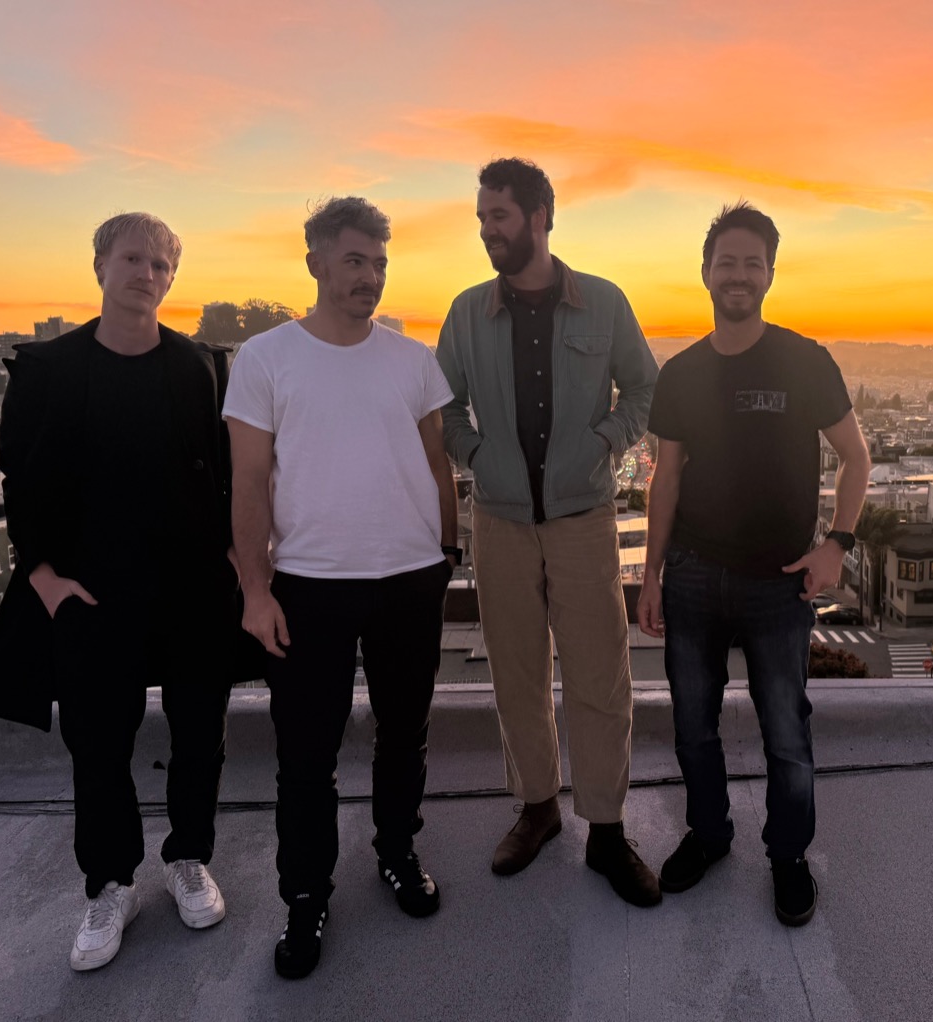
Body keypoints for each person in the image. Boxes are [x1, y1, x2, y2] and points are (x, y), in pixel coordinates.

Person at [0, 212, 244, 970]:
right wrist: (48, 582)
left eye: (160, 264)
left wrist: (235, 569)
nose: (146, 274)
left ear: (171, 279)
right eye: (132, 259)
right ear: (100, 267)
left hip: (189, 590)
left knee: (199, 734)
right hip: (90, 593)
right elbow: (22, 479)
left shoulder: (196, 368)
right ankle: (109, 882)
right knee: (97, 745)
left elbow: (222, 481)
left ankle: (189, 857)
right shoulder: (51, 370)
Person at [225, 197, 458, 979]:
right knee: (306, 755)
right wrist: (255, 591)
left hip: (408, 579)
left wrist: (446, 550)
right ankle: (305, 895)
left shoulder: (411, 359)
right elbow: (249, 482)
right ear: (317, 262)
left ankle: (397, 852)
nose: (370, 278)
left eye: (381, 265)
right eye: (355, 261)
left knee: (405, 734)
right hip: (308, 587)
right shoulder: (263, 359)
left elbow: (435, 463)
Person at [435, 158, 662, 907]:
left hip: (583, 519)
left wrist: (604, 440)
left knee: (601, 677)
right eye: (481, 218)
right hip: (498, 522)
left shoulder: (602, 302)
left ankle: (604, 828)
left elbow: (647, 389)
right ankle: (537, 809)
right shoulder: (467, 312)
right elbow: (445, 408)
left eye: (497, 216)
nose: (485, 230)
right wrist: (476, 456)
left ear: (540, 217)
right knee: (517, 675)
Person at [637, 202, 871, 926]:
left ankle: (787, 856)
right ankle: (708, 837)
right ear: (706, 273)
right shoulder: (680, 374)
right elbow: (665, 478)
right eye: (726, 261)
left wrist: (838, 544)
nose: (738, 274)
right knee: (692, 728)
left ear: (769, 273)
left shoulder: (805, 360)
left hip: (780, 582)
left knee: (786, 732)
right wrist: (650, 574)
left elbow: (857, 458)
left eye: (752, 262)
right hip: (695, 575)